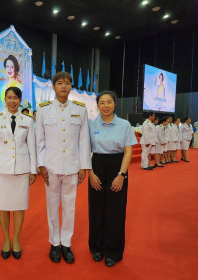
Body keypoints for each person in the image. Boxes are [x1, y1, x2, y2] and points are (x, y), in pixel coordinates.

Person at [36, 72, 91, 264]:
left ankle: (66, 243)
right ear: (53, 86)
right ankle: (54, 243)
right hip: (51, 166)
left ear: (70, 87)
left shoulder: (80, 109)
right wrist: (41, 164)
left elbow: (84, 140)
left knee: (70, 206)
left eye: (67, 83)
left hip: (72, 166)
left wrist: (84, 166)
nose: (64, 86)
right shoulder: (43, 110)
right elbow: (39, 141)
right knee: (52, 207)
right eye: (60, 83)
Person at [88, 91, 138, 267]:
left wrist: (121, 175)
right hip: (97, 165)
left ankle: (113, 251)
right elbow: (86, 151)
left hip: (117, 165)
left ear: (115, 104)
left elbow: (128, 151)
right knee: (96, 210)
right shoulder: (92, 125)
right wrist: (90, 173)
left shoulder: (124, 125)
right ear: (98, 105)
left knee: (115, 211)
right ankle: (96, 248)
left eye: (109, 102)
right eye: (102, 103)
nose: (106, 106)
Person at [0, 87, 37, 260]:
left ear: (20, 99)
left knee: (19, 206)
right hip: (2, 169)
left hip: (22, 168)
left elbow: (32, 146)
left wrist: (33, 170)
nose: (12, 101)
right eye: (9, 98)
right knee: (2, 206)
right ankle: (6, 240)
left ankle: (16, 239)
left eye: (15, 98)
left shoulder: (28, 120)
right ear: (5, 100)